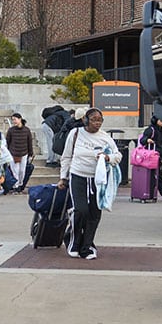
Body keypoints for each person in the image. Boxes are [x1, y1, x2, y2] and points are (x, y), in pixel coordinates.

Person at [57, 107, 122, 260]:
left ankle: (87, 247)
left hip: (97, 180)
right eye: (93, 120)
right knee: (81, 210)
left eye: (100, 120)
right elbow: (66, 157)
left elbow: (118, 155)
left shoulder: (105, 137)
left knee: (94, 213)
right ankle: (73, 240)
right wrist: (63, 177)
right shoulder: (75, 134)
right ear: (85, 120)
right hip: (78, 176)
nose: (97, 123)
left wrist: (107, 158)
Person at [140, 115, 162, 201]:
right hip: (151, 157)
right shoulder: (151, 130)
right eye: (161, 121)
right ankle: (158, 193)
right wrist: (147, 140)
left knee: (157, 175)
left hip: (158, 157)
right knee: (156, 176)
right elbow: (142, 140)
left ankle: (153, 194)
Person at [5, 112, 33, 192]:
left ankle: (20, 184)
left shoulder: (26, 130)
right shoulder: (11, 130)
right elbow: (8, 141)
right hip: (13, 153)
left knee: (22, 171)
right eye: (12, 120)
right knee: (15, 171)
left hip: (24, 153)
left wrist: (30, 153)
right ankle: (16, 185)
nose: (14, 121)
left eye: (15, 119)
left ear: (20, 119)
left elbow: (29, 142)